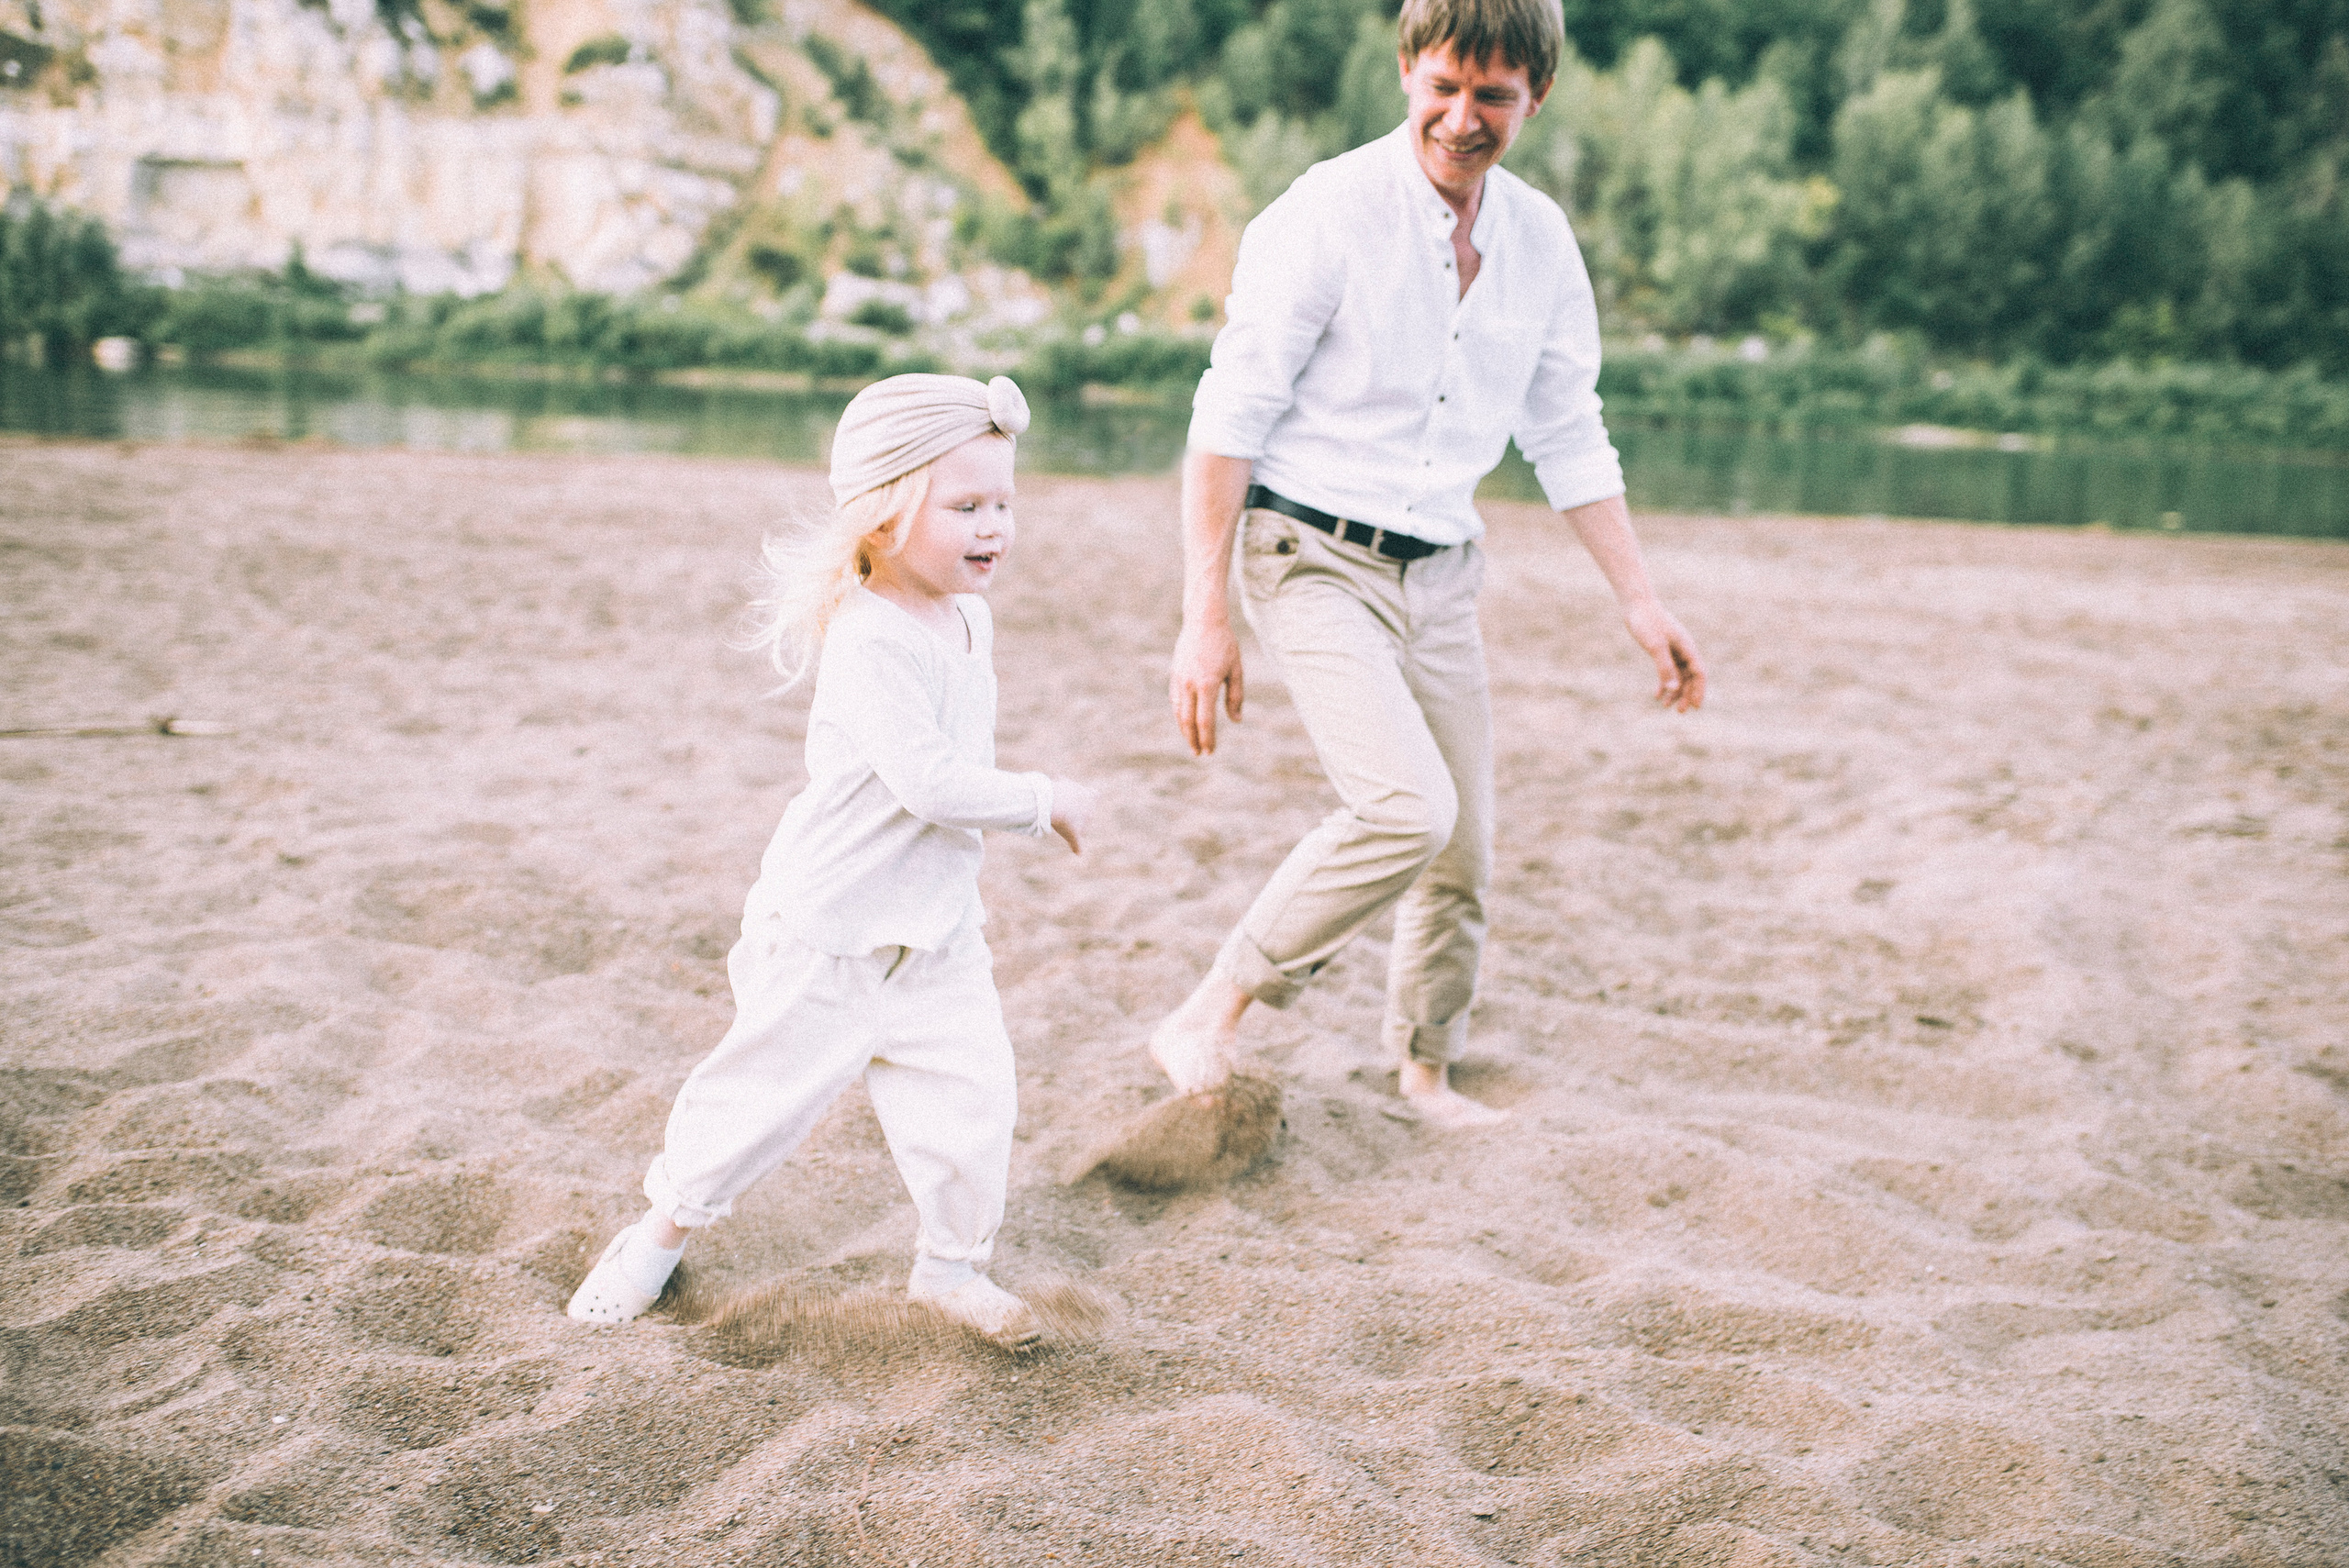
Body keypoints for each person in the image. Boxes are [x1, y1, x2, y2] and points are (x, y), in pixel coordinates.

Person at [1150, 0, 1707, 1129]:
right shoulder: (1325, 213)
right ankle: (1212, 1004)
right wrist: (1203, 615)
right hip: (1305, 550)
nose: (1462, 118)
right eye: (1443, 86)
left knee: (1462, 850)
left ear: (1532, 98)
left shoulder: (1540, 242)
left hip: (1444, 573)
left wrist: (1640, 602)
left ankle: (1421, 1072)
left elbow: (1567, 431)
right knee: (1405, 808)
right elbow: (1228, 422)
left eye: (1492, 96)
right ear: (1408, 69)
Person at [566, 373, 1097, 1348]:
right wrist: (1042, 799)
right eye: (967, 505)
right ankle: (654, 1236)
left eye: (1004, 504)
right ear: (887, 515)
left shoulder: (967, 618)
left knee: (974, 1105)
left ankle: (950, 1268)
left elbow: (954, 765)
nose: (996, 527)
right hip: (830, 933)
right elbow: (931, 782)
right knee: (752, 1108)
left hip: (935, 934)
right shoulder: (867, 639)